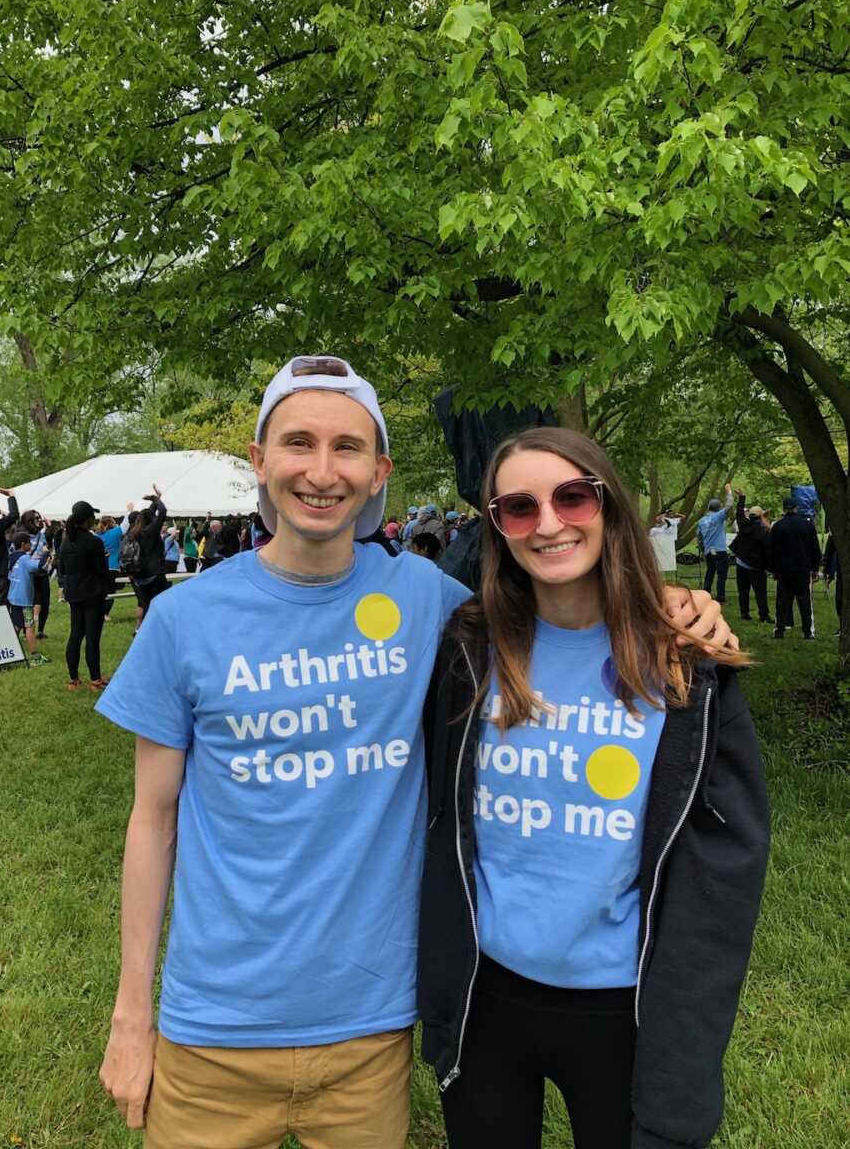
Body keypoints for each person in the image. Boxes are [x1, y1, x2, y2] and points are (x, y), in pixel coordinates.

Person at [95, 356, 737, 1149]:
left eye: (348, 449)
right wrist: (132, 1016)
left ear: (378, 474)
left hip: (372, 1030)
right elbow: (151, 823)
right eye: (297, 443)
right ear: (259, 462)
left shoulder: (433, 604)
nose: (321, 472)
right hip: (212, 1030)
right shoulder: (182, 620)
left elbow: (562, 594)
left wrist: (672, 601)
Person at [418, 427, 769, 1149]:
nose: (548, 523)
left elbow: (723, 884)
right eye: (518, 507)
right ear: (496, 528)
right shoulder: (467, 649)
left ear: (609, 507)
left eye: (572, 497)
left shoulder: (687, 667)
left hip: (623, 1009)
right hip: (486, 998)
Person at [59, 500, 111, 691]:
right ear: (87, 519)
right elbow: (101, 570)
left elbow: (62, 569)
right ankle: (95, 680)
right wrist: (103, 560)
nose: (95, 520)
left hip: (73, 593)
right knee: (92, 637)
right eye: (93, 517)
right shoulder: (94, 541)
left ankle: (73, 679)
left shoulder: (66, 542)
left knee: (75, 634)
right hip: (92, 593)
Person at [770, 495, 821, 640]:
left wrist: (774, 570)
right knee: (805, 602)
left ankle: (779, 630)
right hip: (803, 569)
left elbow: (772, 550)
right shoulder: (807, 525)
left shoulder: (778, 526)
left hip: (784, 570)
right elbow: (815, 549)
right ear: (796, 508)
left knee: (782, 601)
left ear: (784, 509)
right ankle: (808, 632)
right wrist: (815, 568)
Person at [124, 488, 170, 624]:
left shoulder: (132, 533)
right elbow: (163, 512)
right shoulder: (150, 532)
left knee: (147, 607)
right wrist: (154, 499)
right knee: (160, 607)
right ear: (151, 521)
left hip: (140, 577)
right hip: (154, 575)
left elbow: (148, 514)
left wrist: (156, 498)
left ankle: (142, 633)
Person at [7, 532, 51, 664]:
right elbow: (39, 566)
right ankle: (35, 657)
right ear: (23, 544)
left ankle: (8, 651)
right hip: (24, 600)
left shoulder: (12, 558)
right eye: (29, 542)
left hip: (13, 597)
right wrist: (46, 553)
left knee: (16, 625)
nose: (31, 545)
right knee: (30, 627)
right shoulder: (25, 559)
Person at [731, 492, 772, 623]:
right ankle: (763, 615)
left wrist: (742, 498)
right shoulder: (764, 531)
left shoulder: (743, 524)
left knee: (743, 590)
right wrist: (770, 567)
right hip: (756, 566)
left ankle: (744, 613)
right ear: (761, 516)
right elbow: (767, 550)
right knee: (760, 592)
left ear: (750, 515)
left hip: (740, 563)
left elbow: (739, 513)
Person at [15, 510, 52, 638]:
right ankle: (26, 630)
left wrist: (47, 555)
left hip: (41, 572)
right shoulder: (21, 535)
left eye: (39, 517)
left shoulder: (41, 535)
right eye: (37, 518)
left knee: (45, 602)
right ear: (29, 520)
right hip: (28, 574)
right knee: (29, 602)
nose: (39, 519)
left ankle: (41, 630)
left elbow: (45, 548)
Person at [697, 484, 734, 602]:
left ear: (708, 508)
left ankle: (706, 595)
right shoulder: (718, 517)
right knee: (722, 574)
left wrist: (703, 550)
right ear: (718, 509)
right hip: (720, 550)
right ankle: (720, 597)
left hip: (709, 551)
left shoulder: (701, 521)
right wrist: (729, 492)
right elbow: (729, 505)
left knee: (710, 572)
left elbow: (699, 538)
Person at [98, 514, 129, 620]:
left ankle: (100, 612)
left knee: (101, 591)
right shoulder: (115, 533)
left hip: (99, 567)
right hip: (112, 567)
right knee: (111, 592)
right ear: (111, 523)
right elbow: (126, 524)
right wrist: (129, 511)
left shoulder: (97, 536)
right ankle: (105, 614)